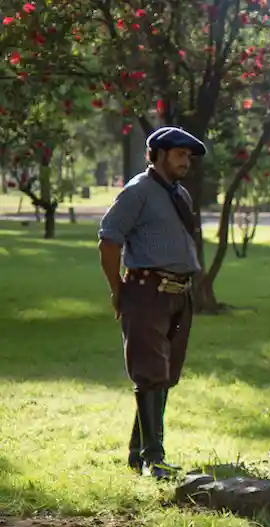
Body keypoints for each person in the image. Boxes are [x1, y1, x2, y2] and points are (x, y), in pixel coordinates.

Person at [97, 126, 207, 479]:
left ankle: (137, 453)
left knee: (165, 376)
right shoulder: (138, 191)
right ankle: (153, 459)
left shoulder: (181, 195)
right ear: (158, 155)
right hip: (146, 292)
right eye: (179, 155)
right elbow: (109, 240)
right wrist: (118, 290)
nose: (185, 162)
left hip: (179, 295)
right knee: (150, 373)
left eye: (188, 157)